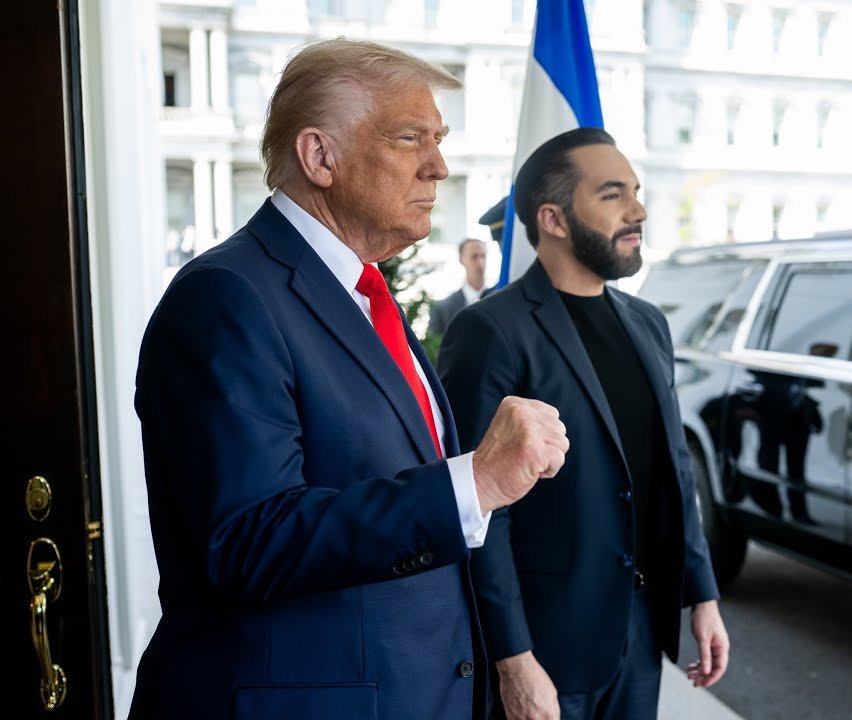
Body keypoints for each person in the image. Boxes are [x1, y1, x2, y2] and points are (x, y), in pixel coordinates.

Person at [128, 38, 569, 720]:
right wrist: (473, 481)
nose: (439, 166)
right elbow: (249, 540)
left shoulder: (363, 293)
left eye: (439, 138)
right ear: (319, 156)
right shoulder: (224, 297)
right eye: (410, 137)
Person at [438, 127, 730, 720]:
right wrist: (513, 658)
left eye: (637, 192)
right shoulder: (491, 331)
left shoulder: (648, 324)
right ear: (555, 218)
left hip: (641, 635)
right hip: (547, 649)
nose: (639, 211)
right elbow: (480, 509)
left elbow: (672, 469)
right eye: (613, 195)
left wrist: (702, 593)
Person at [430, 237, 491, 337]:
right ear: (461, 260)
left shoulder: (500, 300)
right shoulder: (442, 309)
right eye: (474, 257)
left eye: (483, 256)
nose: (480, 262)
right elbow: (434, 347)